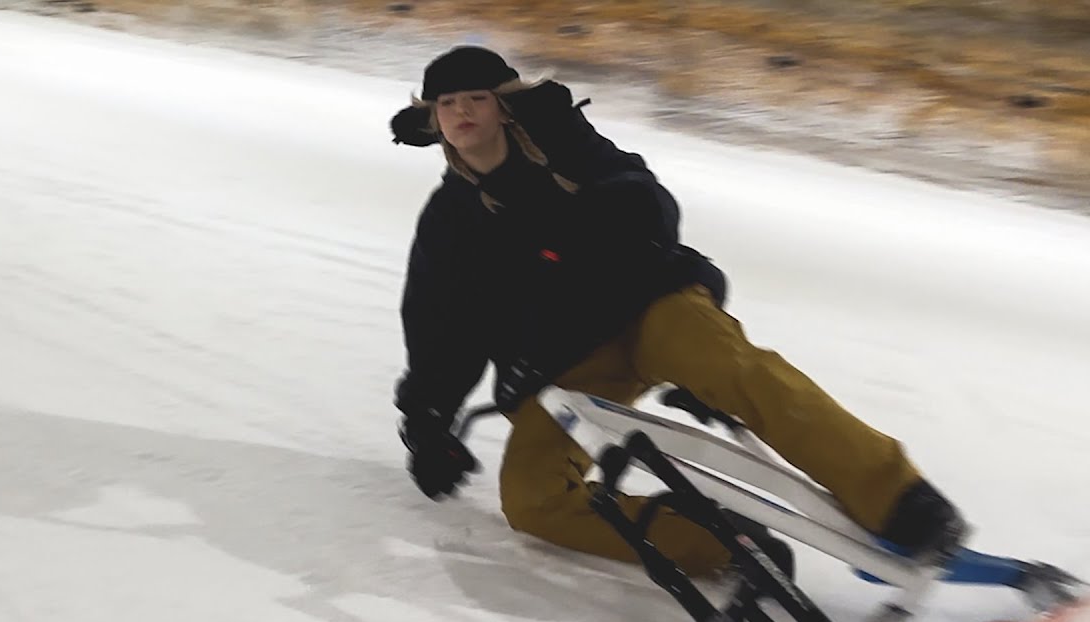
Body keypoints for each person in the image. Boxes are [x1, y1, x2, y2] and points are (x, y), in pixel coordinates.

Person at [388, 46, 963, 577]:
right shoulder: (447, 221)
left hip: (649, 307)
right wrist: (429, 422)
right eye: (447, 103)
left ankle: (899, 500)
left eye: (477, 98)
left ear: (505, 106)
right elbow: (441, 327)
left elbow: (651, 211)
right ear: (433, 120)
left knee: (733, 370)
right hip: (563, 362)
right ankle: (721, 542)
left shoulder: (569, 151)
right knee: (532, 501)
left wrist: (574, 158)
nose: (462, 112)